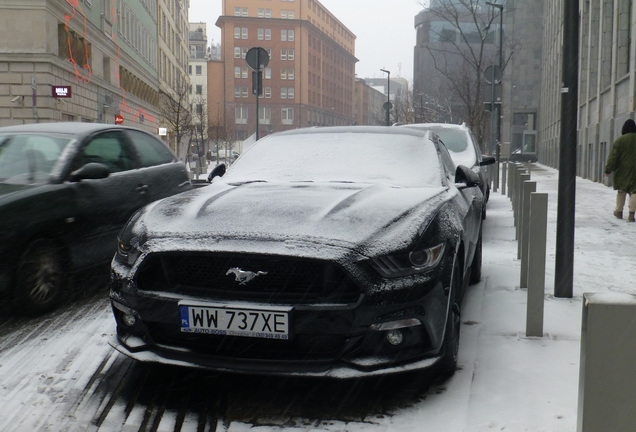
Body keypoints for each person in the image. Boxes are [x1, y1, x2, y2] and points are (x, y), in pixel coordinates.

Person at [605, 118, 636, 222]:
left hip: (622, 169)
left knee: (621, 190)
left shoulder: (620, 140)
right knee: (635, 190)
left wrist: (608, 169)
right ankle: (632, 214)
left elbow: (614, 156)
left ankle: (619, 212)